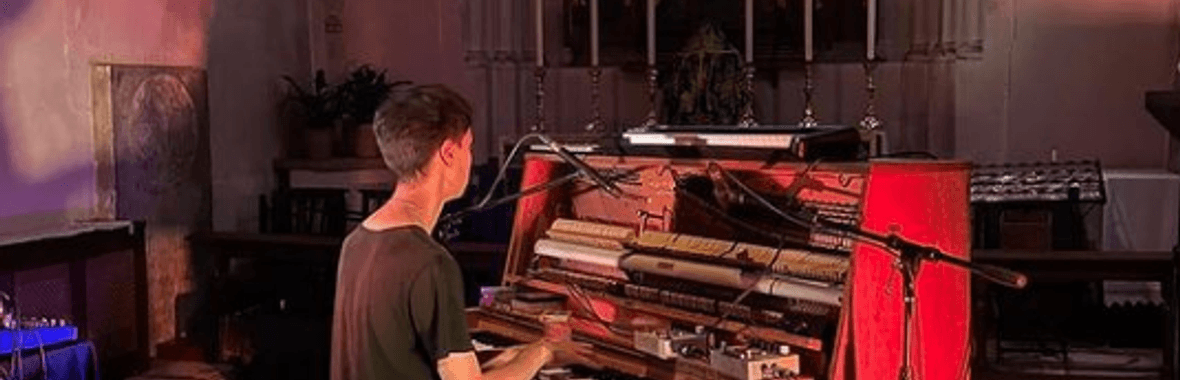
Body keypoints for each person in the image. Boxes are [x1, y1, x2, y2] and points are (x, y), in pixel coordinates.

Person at [330, 84, 591, 380]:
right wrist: (543, 351)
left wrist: (515, 355)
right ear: (449, 153)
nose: (470, 158)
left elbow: (405, 358)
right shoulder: (430, 263)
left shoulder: (356, 241)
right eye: (469, 146)